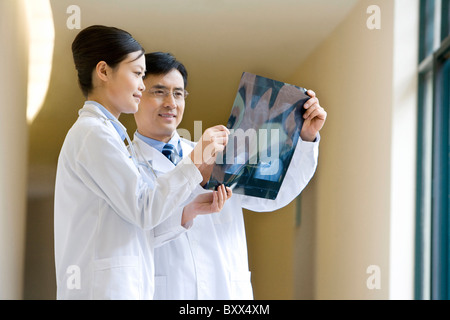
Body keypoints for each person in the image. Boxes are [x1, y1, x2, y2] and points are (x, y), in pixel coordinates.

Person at [54, 25, 231, 300]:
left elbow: (136, 226)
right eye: (137, 74)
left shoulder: (107, 134)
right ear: (103, 71)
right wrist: (196, 159)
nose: (141, 85)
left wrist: (186, 212)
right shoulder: (93, 133)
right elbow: (144, 208)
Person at [132, 52, 327, 299]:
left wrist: (306, 137)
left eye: (178, 93)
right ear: (136, 94)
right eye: (159, 91)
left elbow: (272, 196)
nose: (171, 102)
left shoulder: (223, 153)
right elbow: (128, 238)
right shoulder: (125, 166)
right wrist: (187, 206)